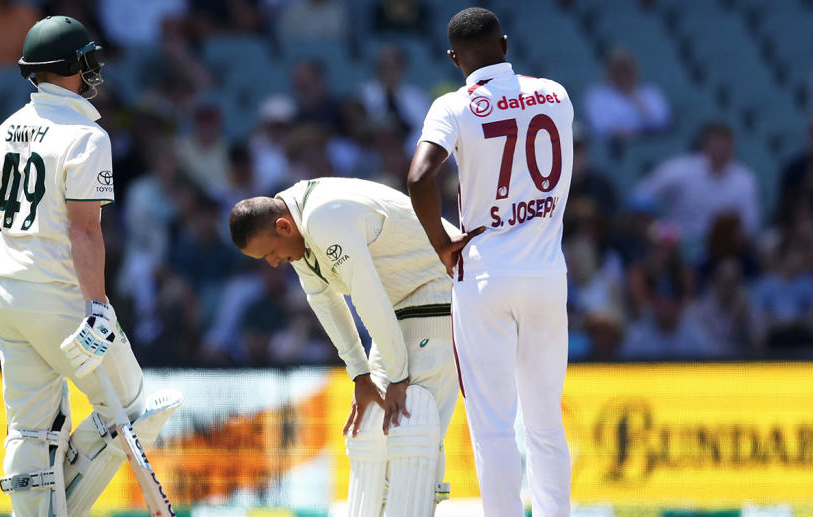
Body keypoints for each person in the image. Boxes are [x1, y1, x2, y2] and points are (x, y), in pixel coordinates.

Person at [0, 16, 178, 516]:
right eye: (87, 61)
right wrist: (97, 306)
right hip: (61, 297)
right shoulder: (86, 136)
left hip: (7, 299)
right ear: (73, 67)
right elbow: (84, 231)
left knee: (31, 431)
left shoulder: (5, 130)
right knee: (135, 408)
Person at [407, 8, 573, 516]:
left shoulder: (452, 106)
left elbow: (418, 178)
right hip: (547, 273)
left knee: (494, 425)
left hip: (484, 273)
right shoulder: (556, 93)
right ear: (503, 44)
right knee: (545, 422)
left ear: (454, 58)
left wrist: (440, 243)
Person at [229, 177, 460, 516]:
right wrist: (360, 375)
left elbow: (367, 295)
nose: (274, 263)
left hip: (441, 289)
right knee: (371, 435)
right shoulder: (299, 231)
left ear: (283, 226)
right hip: (400, 310)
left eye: (270, 253)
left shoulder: (324, 217)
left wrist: (397, 377)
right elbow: (325, 301)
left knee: (412, 437)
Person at [633, 122, 760, 250]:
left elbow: (750, 225)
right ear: (704, 145)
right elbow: (641, 194)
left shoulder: (745, 179)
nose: (720, 152)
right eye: (716, 146)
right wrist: (654, 231)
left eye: (725, 147)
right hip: (677, 246)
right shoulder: (679, 170)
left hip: (722, 250)